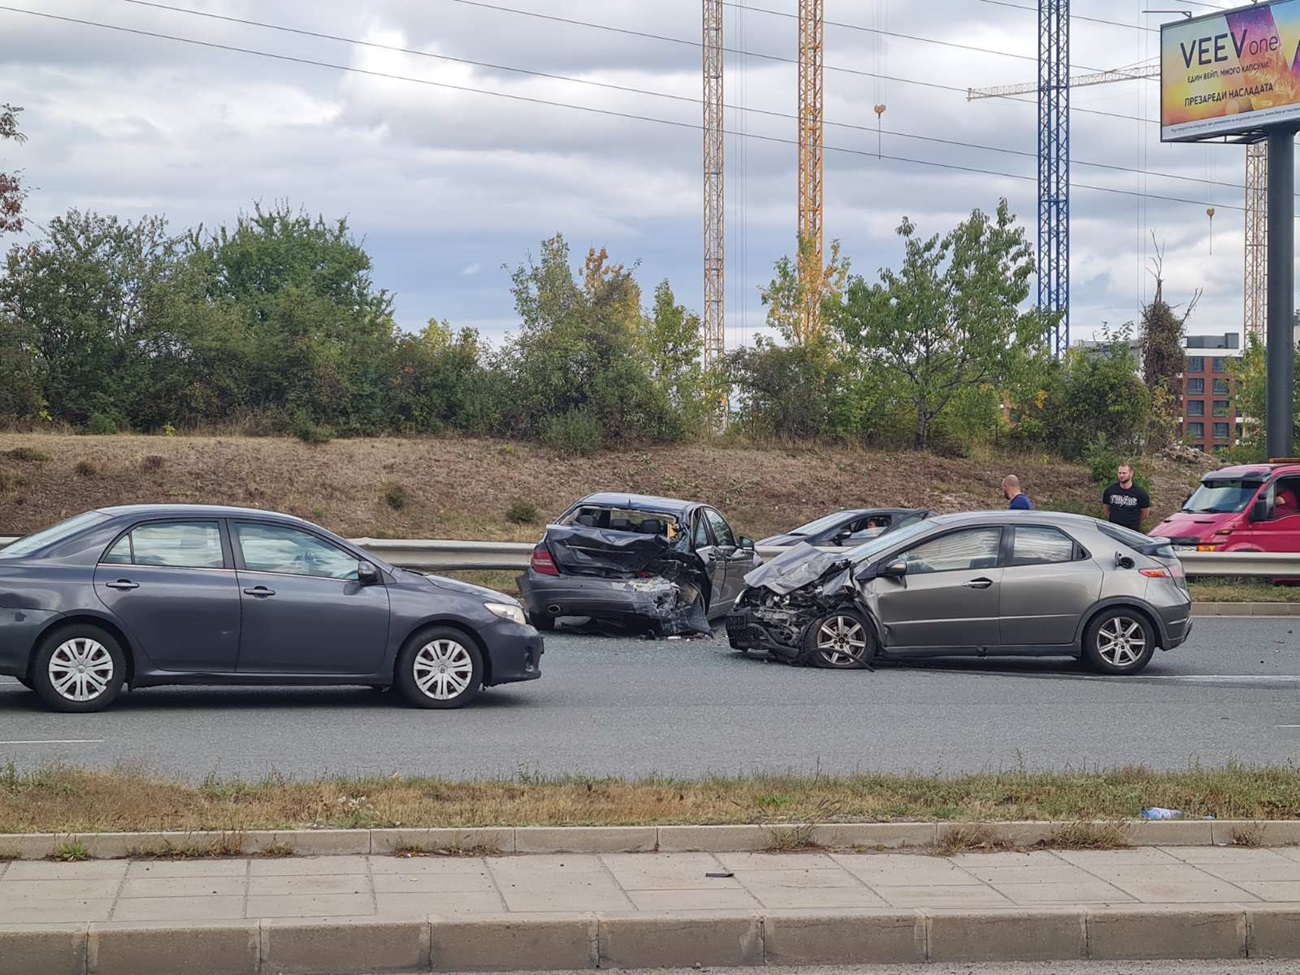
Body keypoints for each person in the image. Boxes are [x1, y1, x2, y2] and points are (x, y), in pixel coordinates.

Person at [1102, 464, 1151, 531]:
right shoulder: (1109, 491)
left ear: (1131, 473)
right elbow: (1106, 509)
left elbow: (1145, 514)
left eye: (1124, 473)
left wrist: (1132, 521)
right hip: (1114, 529)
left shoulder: (1141, 494)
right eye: (1119, 473)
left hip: (1132, 531)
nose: (1121, 475)